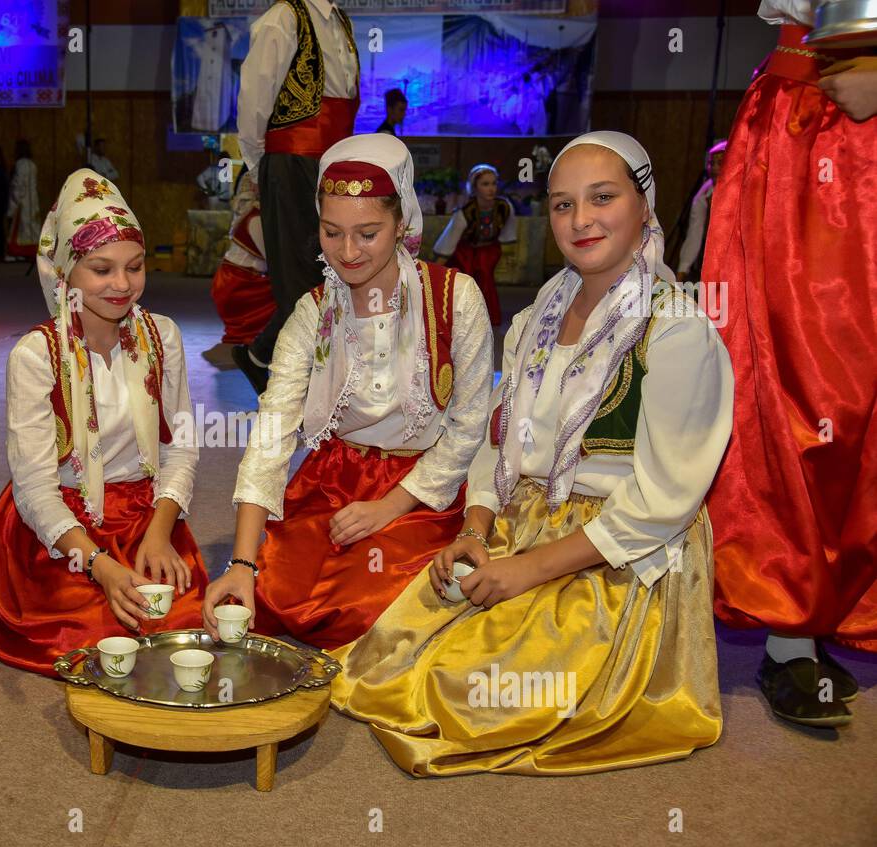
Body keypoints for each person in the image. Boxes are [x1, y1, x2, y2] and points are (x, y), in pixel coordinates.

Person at [329, 132, 734, 777]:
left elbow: (664, 502)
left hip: (620, 550)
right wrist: (477, 526)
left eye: (603, 197)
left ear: (645, 207)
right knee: (390, 653)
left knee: (467, 693)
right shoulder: (540, 313)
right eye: (563, 204)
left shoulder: (678, 329)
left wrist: (531, 568)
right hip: (526, 519)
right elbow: (501, 434)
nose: (581, 220)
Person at [202, 134, 492, 650]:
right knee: (272, 594)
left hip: (422, 487)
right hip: (334, 480)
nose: (348, 252)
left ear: (401, 223)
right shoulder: (313, 312)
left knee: (369, 612)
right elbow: (272, 434)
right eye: (332, 233)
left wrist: (389, 507)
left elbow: (470, 426)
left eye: (368, 233)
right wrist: (241, 562)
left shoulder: (455, 298)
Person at [704, 5, 877, 728]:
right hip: (811, 117)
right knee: (801, 377)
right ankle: (793, 628)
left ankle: (833, 605)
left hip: (847, 101)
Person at [0, 170, 208, 675]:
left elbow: (181, 448)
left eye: (135, 266)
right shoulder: (37, 355)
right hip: (64, 527)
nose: (122, 285)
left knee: (181, 618)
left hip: (143, 513)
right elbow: (35, 487)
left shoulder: (162, 336)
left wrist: (160, 531)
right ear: (66, 275)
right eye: (101, 269)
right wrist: (99, 565)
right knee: (95, 635)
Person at [233, 0, 361, 395]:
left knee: (334, 270)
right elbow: (255, 97)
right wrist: (260, 165)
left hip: (332, 163)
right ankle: (300, 379)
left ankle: (262, 354)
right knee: (300, 275)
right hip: (291, 160)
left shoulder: (342, 21)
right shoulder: (284, 18)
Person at [433, 163, 517, 327]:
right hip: (465, 253)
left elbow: (508, 234)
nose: (491, 188)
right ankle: (466, 317)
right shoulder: (465, 212)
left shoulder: (504, 207)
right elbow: (448, 242)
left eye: (493, 183)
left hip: (489, 250)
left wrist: (508, 255)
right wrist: (435, 271)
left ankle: (484, 317)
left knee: (485, 277)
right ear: (475, 187)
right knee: (467, 282)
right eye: (485, 184)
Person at [210, 168, 272, 351]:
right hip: (239, 283)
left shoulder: (252, 216)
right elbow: (270, 258)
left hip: (234, 279)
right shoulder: (255, 219)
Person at [676, 140, 726, 283]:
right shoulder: (705, 193)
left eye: (720, 163)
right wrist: (681, 273)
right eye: (712, 163)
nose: (715, 168)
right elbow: (694, 233)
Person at [6, 139, 40, 261]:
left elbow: (18, 185)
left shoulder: (19, 164)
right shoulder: (32, 164)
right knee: (31, 227)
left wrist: (13, 204)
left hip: (22, 202)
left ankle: (17, 251)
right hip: (33, 201)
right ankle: (31, 251)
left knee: (20, 227)